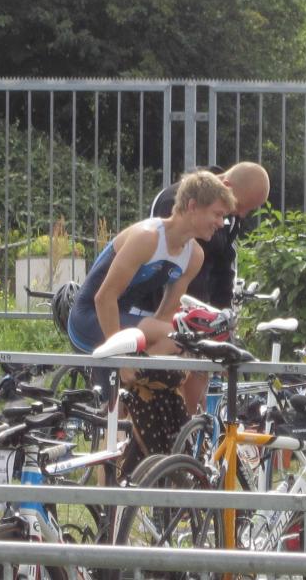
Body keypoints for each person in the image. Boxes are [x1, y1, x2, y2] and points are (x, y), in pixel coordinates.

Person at [67, 170, 236, 472]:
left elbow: (164, 315)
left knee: (177, 343)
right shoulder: (148, 237)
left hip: (128, 321)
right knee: (182, 337)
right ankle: (129, 399)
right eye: (217, 214)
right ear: (192, 206)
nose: (221, 223)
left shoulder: (193, 255)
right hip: (91, 318)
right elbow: (103, 298)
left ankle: (139, 424)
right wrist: (122, 359)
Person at [144, 162, 270, 413]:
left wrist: (222, 321)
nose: (241, 215)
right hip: (165, 311)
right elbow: (165, 266)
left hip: (200, 312)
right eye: (241, 207)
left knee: (198, 391)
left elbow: (224, 269)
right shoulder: (173, 201)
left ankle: (191, 423)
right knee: (166, 386)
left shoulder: (228, 216)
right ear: (227, 186)